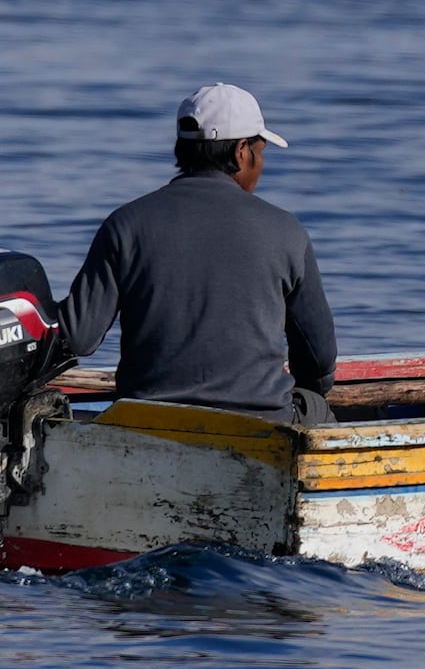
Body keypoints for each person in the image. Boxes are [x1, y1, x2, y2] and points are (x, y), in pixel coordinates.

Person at [54, 82, 339, 420]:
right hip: (262, 424)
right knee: (317, 407)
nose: (260, 165)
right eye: (260, 152)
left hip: (147, 421)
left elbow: (77, 338)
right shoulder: (286, 231)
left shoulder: (125, 225)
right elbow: (319, 362)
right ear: (241, 152)